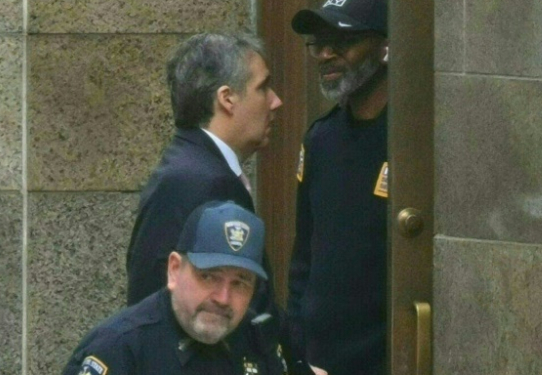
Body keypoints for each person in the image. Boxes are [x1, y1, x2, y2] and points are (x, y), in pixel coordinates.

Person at [124, 32, 284, 372]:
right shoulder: (198, 180)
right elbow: (158, 305)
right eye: (263, 88)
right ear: (227, 99)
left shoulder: (198, 168)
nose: (275, 102)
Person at [286, 0, 389, 374]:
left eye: (342, 41)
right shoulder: (321, 141)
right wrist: (296, 350)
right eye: (320, 42)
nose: (326, 54)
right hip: (318, 361)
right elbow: (303, 261)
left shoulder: (410, 146)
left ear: (385, 45)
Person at [64, 201, 273, 375]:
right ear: (174, 270)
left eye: (240, 283)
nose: (223, 298)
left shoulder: (259, 340)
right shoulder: (120, 350)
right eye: (208, 277)